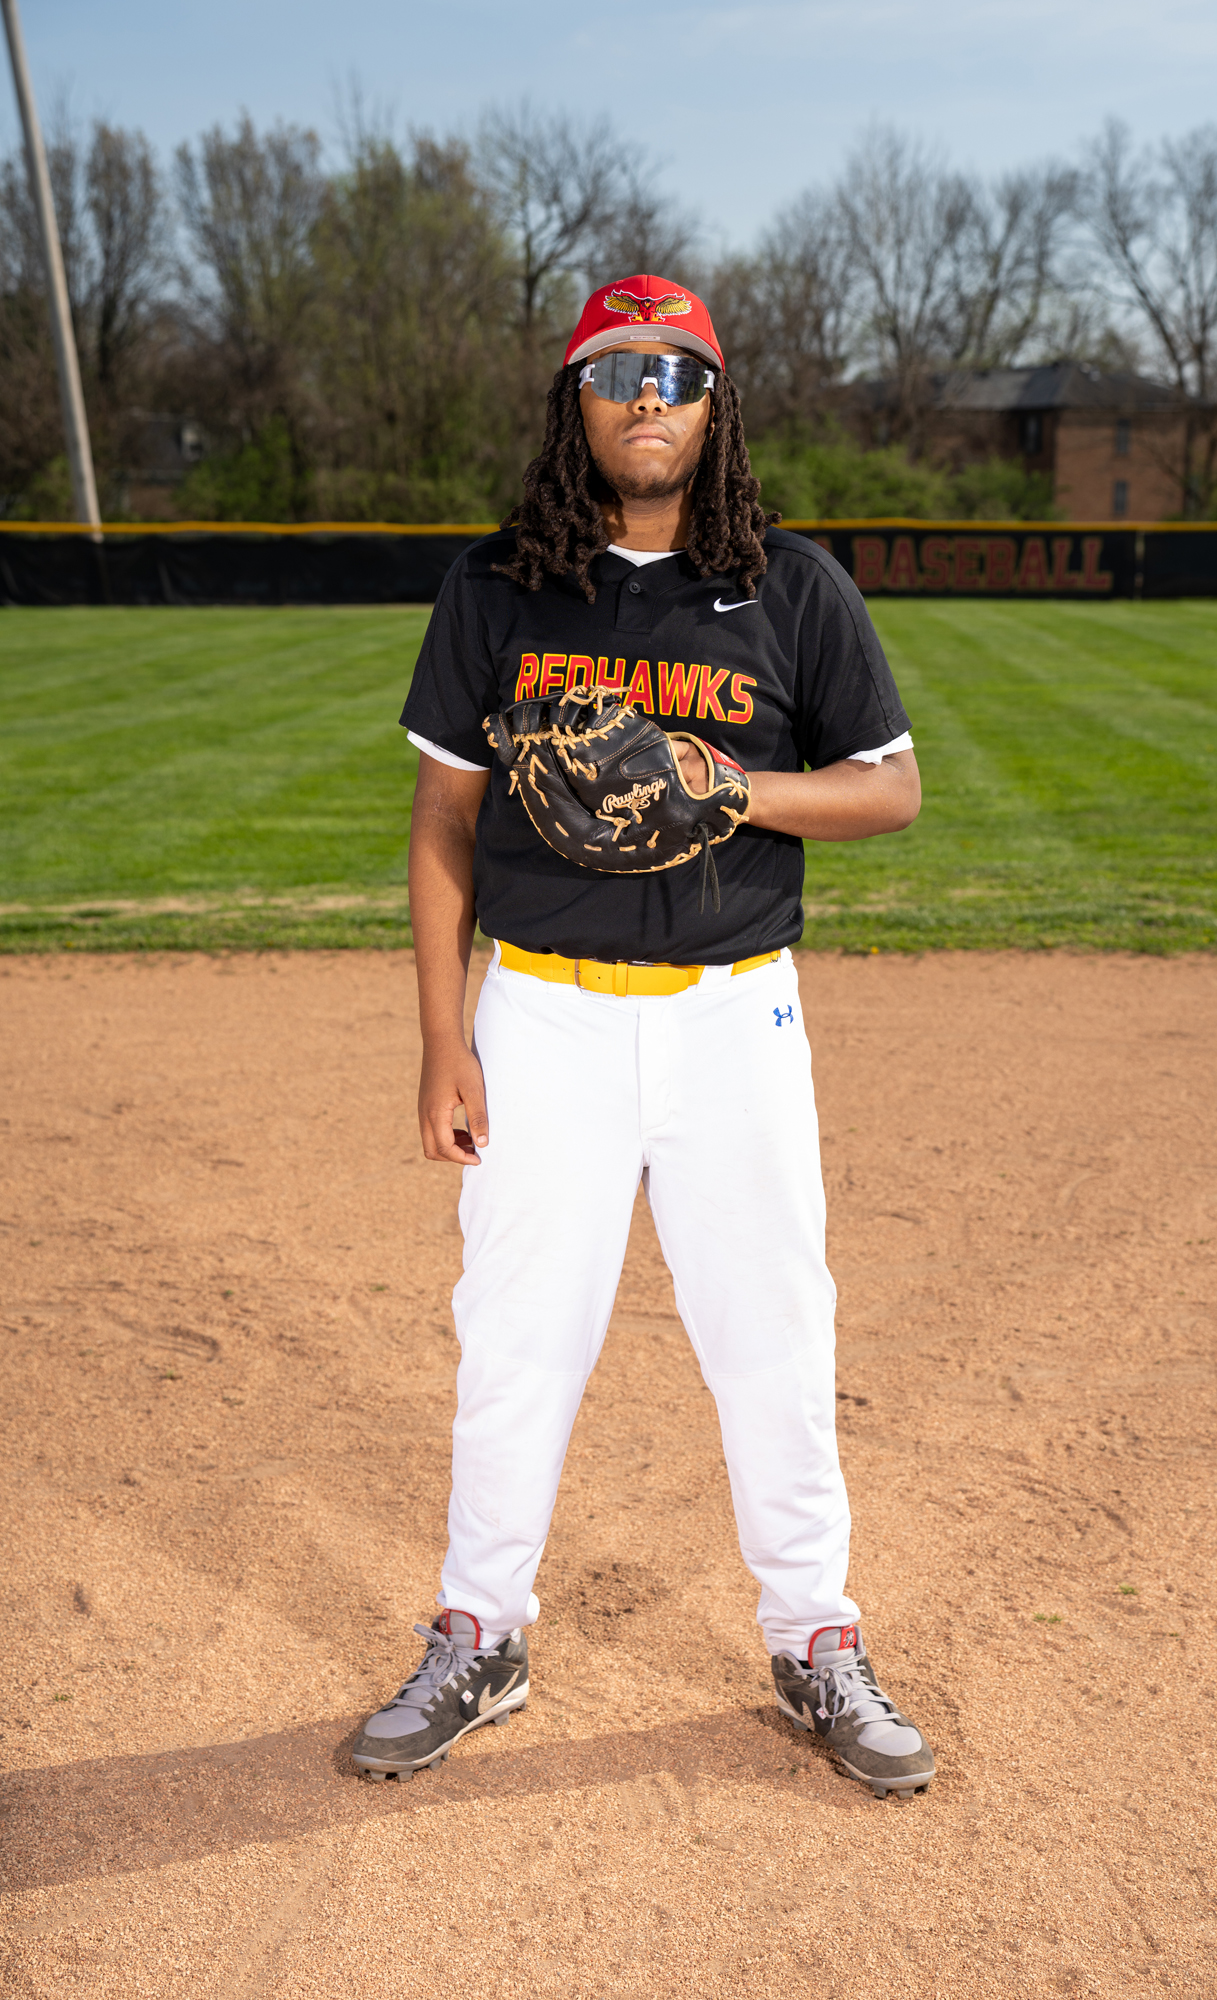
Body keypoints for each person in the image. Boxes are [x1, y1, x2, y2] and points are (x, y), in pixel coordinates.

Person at [351, 275, 935, 1802]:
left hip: (733, 1015)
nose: (647, 398)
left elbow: (887, 787)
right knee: (515, 1337)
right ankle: (481, 1631)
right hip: (538, 1012)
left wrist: (731, 786)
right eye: (616, 372)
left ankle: (813, 1637)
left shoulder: (789, 587)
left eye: (676, 373)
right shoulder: (496, 588)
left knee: (772, 1333)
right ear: (577, 402)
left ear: (714, 402)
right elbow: (442, 819)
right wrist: (442, 1038)